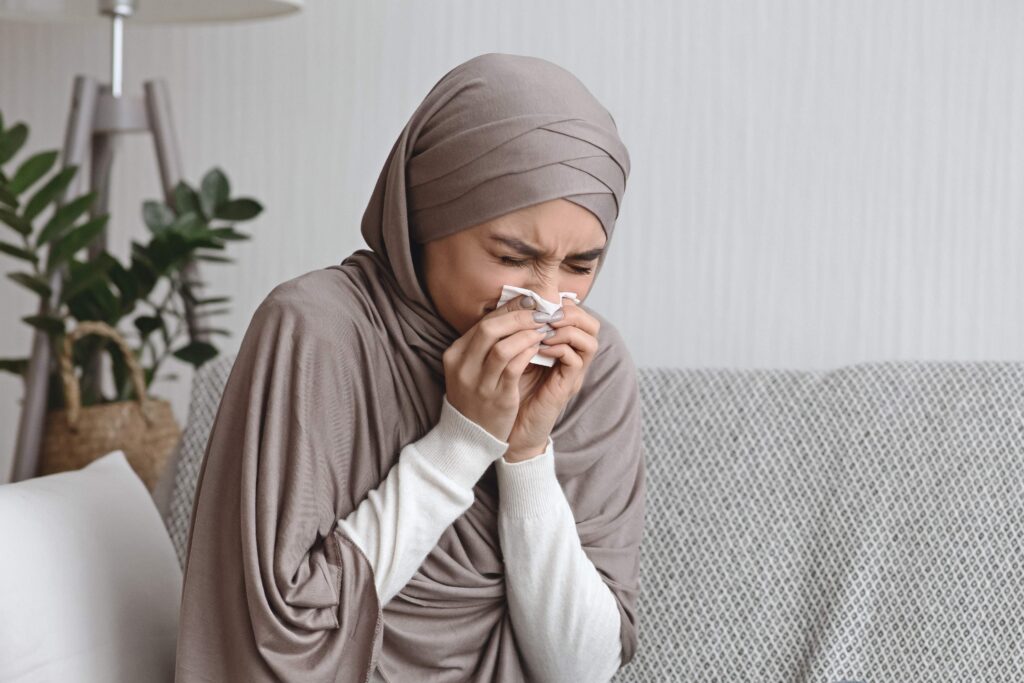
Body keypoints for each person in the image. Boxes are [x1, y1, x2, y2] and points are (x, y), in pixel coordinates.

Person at [174, 52, 646, 683]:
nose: (544, 298)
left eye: (580, 267)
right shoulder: (316, 332)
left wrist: (527, 454)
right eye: (511, 256)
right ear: (422, 218)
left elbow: (581, 671)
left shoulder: (592, 364)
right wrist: (460, 442)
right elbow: (279, 643)